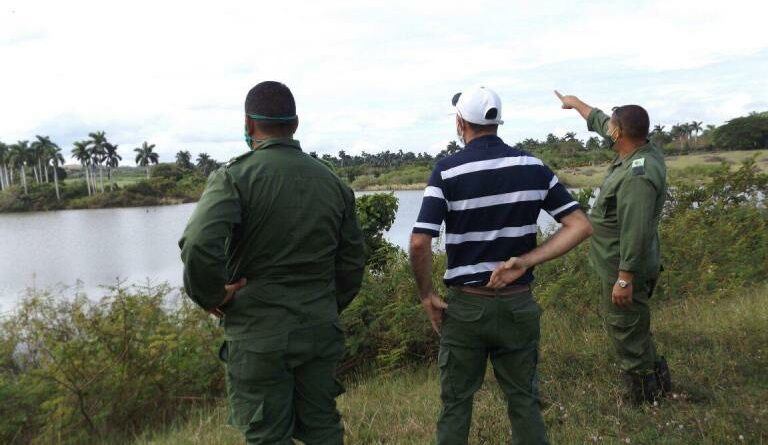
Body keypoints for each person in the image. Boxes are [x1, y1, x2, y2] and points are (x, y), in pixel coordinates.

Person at [179, 81, 365, 444]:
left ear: (249, 125)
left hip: (258, 332)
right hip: (319, 326)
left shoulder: (233, 178)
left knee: (267, 434)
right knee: (322, 426)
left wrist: (213, 295)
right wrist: (324, 303)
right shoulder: (332, 182)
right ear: (295, 124)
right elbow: (352, 262)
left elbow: (200, 244)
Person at [410, 86, 593, 445]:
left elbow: (419, 241)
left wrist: (427, 295)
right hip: (518, 304)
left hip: (466, 306)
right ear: (497, 123)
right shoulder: (533, 167)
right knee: (524, 400)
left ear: (460, 122)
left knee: (456, 403)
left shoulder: (446, 172)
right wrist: (525, 260)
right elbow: (580, 225)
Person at [555, 90, 672, 404]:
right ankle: (658, 381)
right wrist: (576, 103)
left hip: (624, 267)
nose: (607, 129)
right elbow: (600, 121)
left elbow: (636, 230)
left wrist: (625, 277)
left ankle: (644, 395)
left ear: (619, 133)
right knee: (634, 325)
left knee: (626, 328)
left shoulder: (638, 175)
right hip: (618, 263)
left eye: (612, 127)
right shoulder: (636, 150)